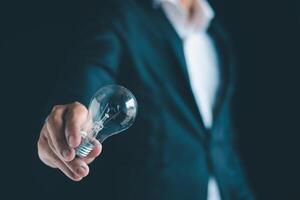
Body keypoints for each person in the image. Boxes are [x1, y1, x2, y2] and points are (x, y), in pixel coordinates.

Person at [37, 0, 254, 199]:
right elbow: (93, 69)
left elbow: (221, 142)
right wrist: (70, 117)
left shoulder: (218, 36)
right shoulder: (121, 17)